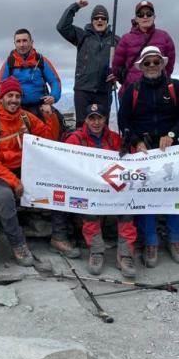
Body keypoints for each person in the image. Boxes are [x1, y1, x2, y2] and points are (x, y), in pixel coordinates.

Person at [0, 77, 77, 265]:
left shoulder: (25, 117)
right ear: (2, 97)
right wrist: (14, 181)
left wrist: (49, 116)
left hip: (25, 168)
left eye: (17, 96)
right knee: (5, 197)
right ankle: (18, 243)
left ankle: (59, 236)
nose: (14, 100)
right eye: (10, 95)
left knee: (57, 184)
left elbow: (48, 138)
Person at [117, 46, 179, 268]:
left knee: (174, 194)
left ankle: (175, 239)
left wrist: (172, 134)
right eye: (147, 63)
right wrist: (136, 141)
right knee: (146, 196)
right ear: (141, 66)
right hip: (144, 152)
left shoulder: (175, 87)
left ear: (163, 64)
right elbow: (124, 121)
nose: (152, 66)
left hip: (170, 150)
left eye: (156, 62)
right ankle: (151, 241)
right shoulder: (133, 89)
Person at [65, 103, 137, 277]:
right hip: (88, 189)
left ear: (105, 119)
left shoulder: (114, 138)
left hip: (112, 188)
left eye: (99, 118)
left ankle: (125, 254)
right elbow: (63, 161)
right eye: (92, 118)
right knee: (89, 209)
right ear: (86, 120)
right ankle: (96, 251)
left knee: (127, 208)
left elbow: (131, 159)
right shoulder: (75, 139)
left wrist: (133, 148)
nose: (96, 122)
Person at [56, 0, 117, 127]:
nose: (99, 20)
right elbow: (62, 27)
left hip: (104, 91)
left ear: (107, 21)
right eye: (96, 18)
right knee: (82, 126)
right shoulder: (82, 36)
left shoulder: (115, 41)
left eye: (103, 18)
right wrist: (76, 6)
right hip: (83, 90)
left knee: (102, 127)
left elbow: (125, 62)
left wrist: (119, 73)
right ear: (92, 21)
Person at [0, 28, 65, 140]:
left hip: (40, 106)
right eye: (18, 41)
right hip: (18, 107)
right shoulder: (9, 63)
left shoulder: (41, 61)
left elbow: (55, 81)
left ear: (31, 42)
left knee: (56, 129)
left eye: (25, 41)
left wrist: (53, 97)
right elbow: (1, 85)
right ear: (14, 43)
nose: (22, 44)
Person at [111, 0, 176, 88]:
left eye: (149, 14)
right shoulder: (126, 39)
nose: (145, 17)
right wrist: (127, 80)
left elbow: (169, 64)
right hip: (133, 90)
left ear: (154, 17)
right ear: (136, 19)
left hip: (159, 90)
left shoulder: (164, 37)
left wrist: (162, 77)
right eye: (141, 14)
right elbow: (117, 67)